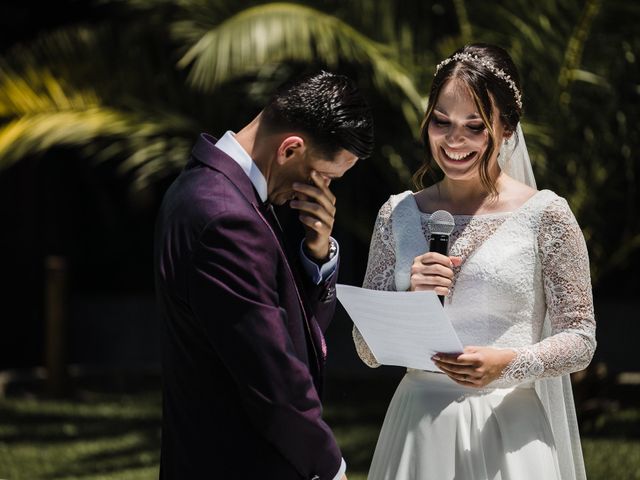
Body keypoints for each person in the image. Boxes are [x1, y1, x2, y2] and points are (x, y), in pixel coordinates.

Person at [353, 43, 596, 480]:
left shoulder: (547, 214)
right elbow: (366, 350)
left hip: (508, 426)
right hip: (419, 425)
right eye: (441, 122)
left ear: (506, 130)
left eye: (474, 126)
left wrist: (510, 363)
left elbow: (580, 337)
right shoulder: (398, 213)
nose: (454, 141)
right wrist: (411, 293)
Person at [155, 70, 374, 479]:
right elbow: (272, 377)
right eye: (325, 175)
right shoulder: (226, 218)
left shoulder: (212, 190)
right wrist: (331, 468)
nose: (325, 191)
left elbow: (294, 333)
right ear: (290, 150)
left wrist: (318, 253)